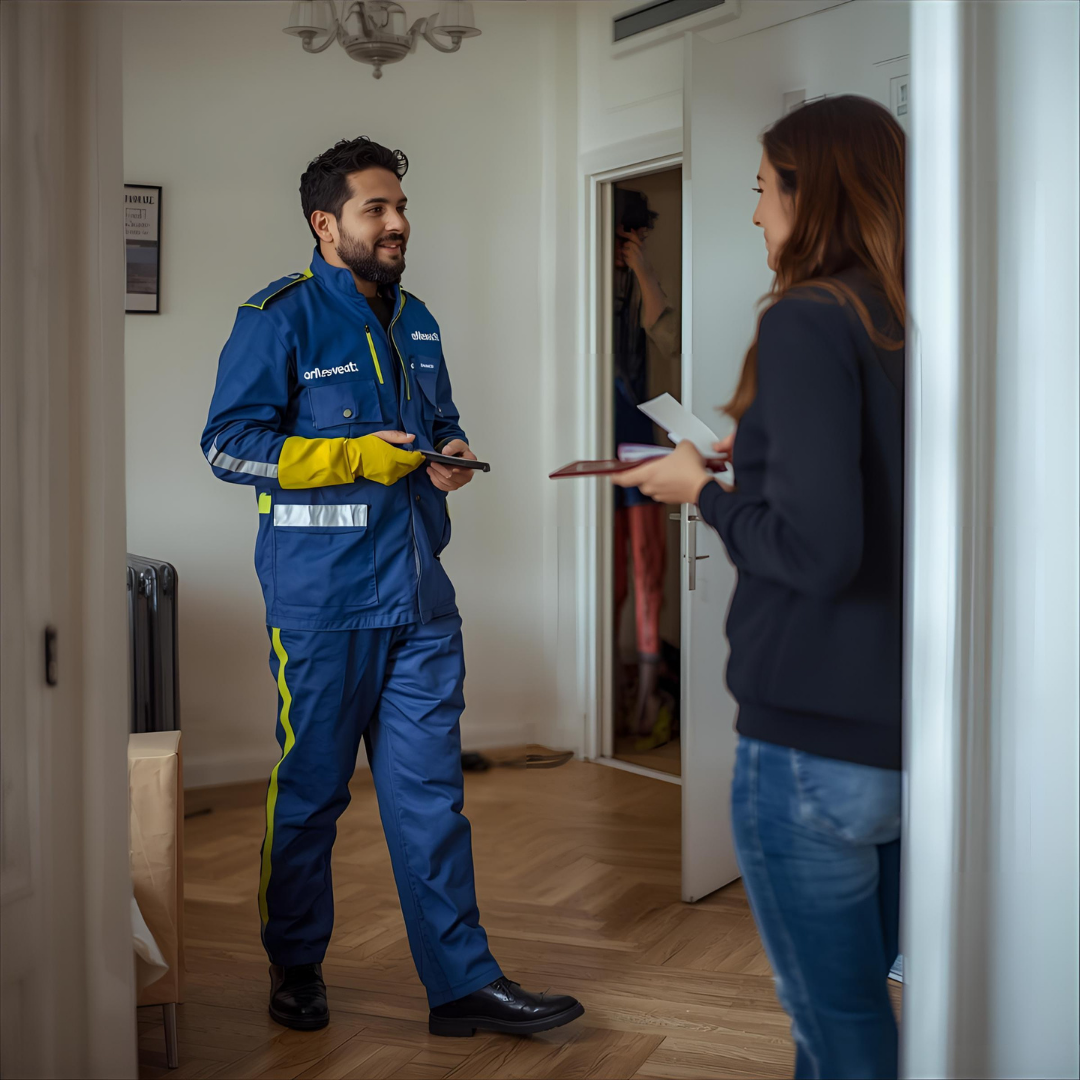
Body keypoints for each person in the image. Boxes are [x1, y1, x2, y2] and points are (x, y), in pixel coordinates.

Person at [201, 136, 583, 1038]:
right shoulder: (277, 318)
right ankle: (295, 966)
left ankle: (461, 986)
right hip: (322, 605)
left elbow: (439, 422)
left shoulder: (418, 321)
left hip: (419, 596)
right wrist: (351, 457)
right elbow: (226, 445)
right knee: (310, 797)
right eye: (377, 208)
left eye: (400, 206)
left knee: (431, 803)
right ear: (325, 224)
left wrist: (448, 454)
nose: (398, 222)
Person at [611, 96, 906, 1079]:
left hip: (807, 737)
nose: (754, 214)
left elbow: (821, 553)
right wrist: (763, 460)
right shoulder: (904, 317)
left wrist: (701, 490)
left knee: (833, 1021)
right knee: (870, 1001)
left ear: (805, 191)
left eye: (762, 189)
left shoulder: (807, 320)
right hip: (903, 731)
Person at [612, 188, 680, 748]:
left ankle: (649, 696)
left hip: (646, 439)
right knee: (612, 580)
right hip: (600, 445)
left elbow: (670, 338)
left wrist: (642, 270)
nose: (626, 246)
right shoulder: (586, 278)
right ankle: (614, 695)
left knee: (649, 575)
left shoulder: (641, 284)